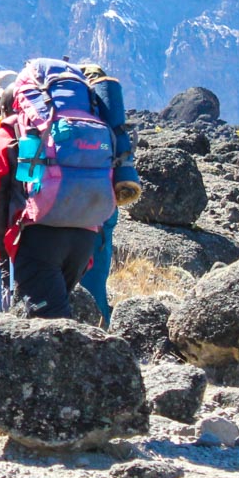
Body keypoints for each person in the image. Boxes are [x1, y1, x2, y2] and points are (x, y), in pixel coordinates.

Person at [0, 59, 129, 320]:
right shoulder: (79, 132)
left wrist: (4, 251)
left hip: (36, 238)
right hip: (84, 238)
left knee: (48, 327)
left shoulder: (6, 136)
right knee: (48, 321)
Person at [78, 62, 142, 326]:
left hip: (63, 200)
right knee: (96, 274)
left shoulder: (72, 112)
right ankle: (100, 329)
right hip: (104, 203)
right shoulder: (109, 117)